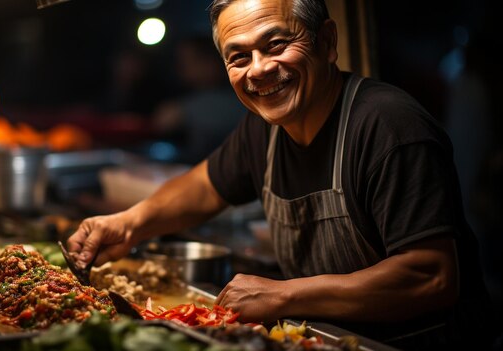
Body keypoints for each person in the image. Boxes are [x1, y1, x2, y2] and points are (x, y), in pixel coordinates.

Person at [68, 0, 495, 348]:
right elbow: (203, 186)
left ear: (327, 42)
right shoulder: (264, 128)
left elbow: (431, 276)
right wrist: (129, 224)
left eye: (276, 45)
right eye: (239, 56)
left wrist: (283, 293)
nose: (258, 69)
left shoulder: (388, 125)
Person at [152, 34, 246, 164]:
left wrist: (182, 111)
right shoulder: (192, 94)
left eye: (188, 60)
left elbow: (166, 119)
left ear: (211, 63)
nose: (181, 67)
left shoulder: (239, 97)